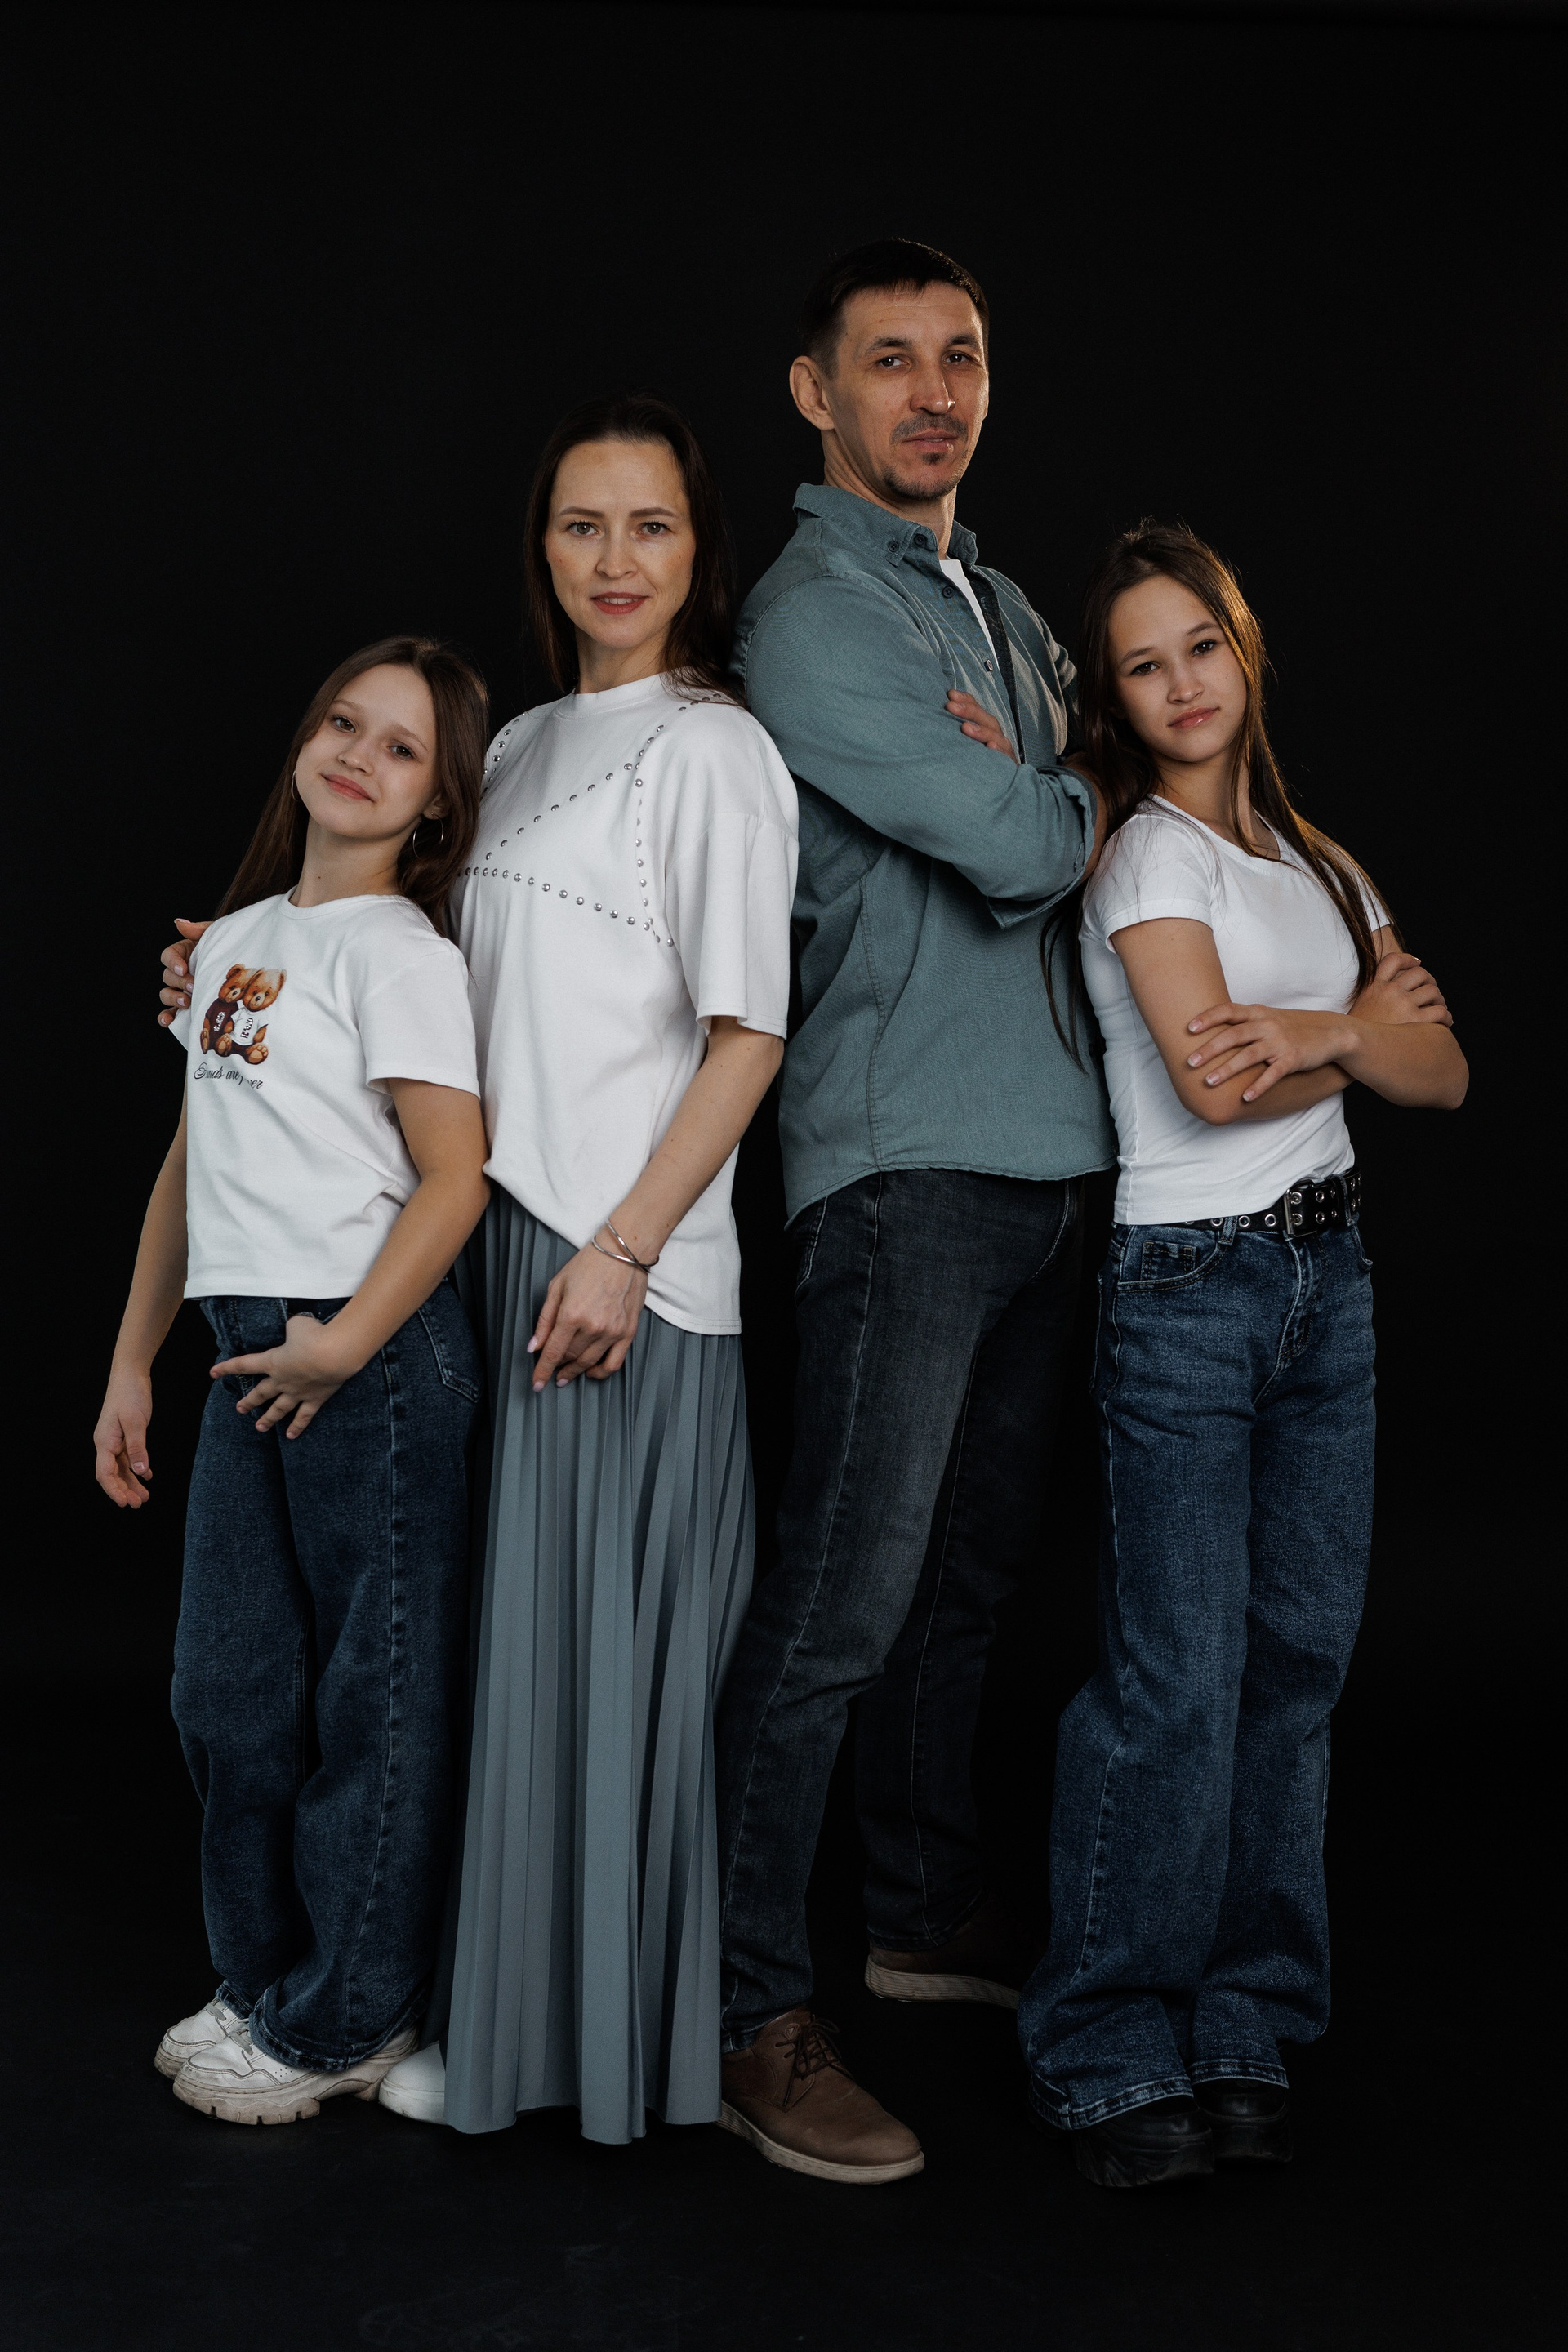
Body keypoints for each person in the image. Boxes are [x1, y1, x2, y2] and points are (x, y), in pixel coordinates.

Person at [158, 397, 798, 2146]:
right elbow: (402, 977)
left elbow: (750, 1034)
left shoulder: (715, 751)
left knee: (593, 1675)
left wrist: (624, 1246)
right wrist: (231, 990)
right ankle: (467, 2012)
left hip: (617, 1264)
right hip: (477, 1247)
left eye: (651, 526)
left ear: (698, 552)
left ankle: (581, 2048)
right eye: (582, 525)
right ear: (545, 549)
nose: (614, 559)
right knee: (490, 1664)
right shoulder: (509, 745)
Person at [713, 241, 1114, 2186]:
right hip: (901, 1165)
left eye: (961, 354)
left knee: (969, 1587)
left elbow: (1081, 784)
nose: (935, 391)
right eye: (891, 360)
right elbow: (1030, 839)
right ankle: (746, 2006)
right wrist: (1056, 791)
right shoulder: (812, 614)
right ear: (819, 394)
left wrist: (1047, 773)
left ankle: (918, 1908)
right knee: (838, 1610)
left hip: (1052, 1159)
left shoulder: (1002, 603)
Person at [1018, 523, 1467, 2188]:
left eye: (1199, 645)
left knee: (1296, 1666)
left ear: (1242, 647)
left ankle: (1246, 2013)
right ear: (1118, 698)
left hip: (1330, 1281)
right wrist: (1362, 1041)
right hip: (1191, 1287)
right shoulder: (1148, 860)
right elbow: (1213, 1088)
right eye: (1144, 664)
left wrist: (1327, 1030)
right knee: (1177, 1679)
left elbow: (1447, 1073)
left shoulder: (1317, 863)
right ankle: (1105, 2039)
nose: (1182, 684)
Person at [100, 638, 492, 2123]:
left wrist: (345, 1342)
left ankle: (350, 2016)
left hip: (366, 1351)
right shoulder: (238, 939)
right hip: (242, 1345)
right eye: (344, 722)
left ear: (436, 802)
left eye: (401, 749)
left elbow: (454, 1178)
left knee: (370, 1697)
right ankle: (266, 1977)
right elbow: (191, 1164)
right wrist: (132, 1364)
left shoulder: (405, 953)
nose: (358, 757)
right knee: (229, 1690)